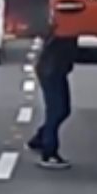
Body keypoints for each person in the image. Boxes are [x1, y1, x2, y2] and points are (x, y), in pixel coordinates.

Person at [26, 36, 76, 169]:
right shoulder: (64, 26)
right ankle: (49, 152)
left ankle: (40, 138)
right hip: (51, 70)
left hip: (56, 69)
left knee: (63, 110)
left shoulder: (69, 26)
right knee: (56, 110)